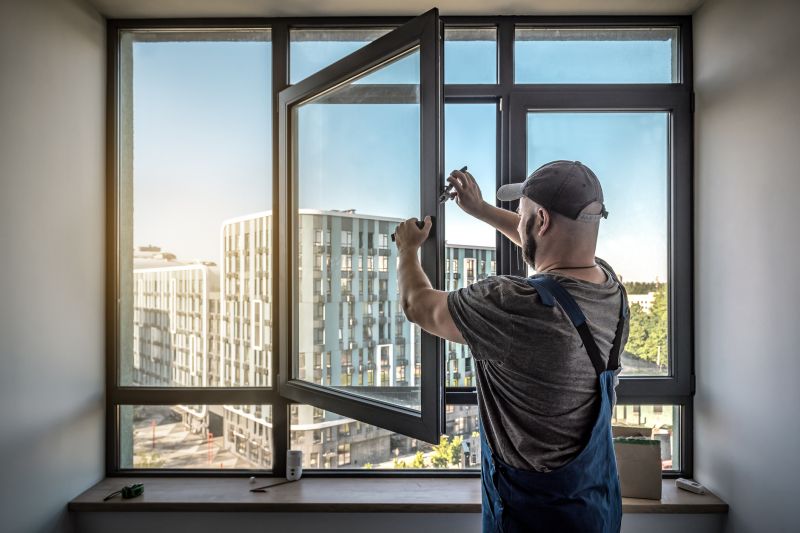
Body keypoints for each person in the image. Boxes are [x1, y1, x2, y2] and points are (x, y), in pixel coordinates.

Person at [393, 160, 629, 533]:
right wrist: (481, 210)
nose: (517, 223)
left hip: (532, 518)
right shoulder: (610, 287)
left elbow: (416, 305)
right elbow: (549, 251)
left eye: (521, 214)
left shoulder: (515, 304)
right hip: (595, 508)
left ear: (542, 220)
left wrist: (407, 249)